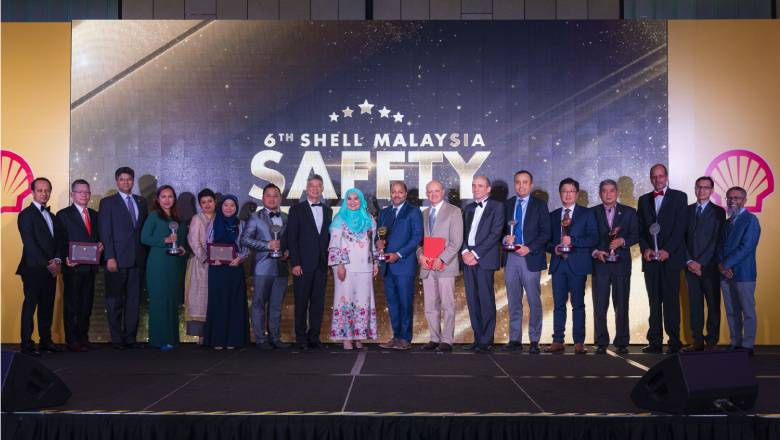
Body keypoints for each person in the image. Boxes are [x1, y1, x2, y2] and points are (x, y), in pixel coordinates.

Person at [637, 164, 688, 354]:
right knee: (654, 302)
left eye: (660, 176)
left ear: (666, 176)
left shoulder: (680, 197)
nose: (657, 180)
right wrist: (645, 249)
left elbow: (680, 228)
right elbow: (640, 229)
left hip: (671, 259)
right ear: (650, 178)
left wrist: (668, 250)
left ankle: (674, 341)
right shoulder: (643, 200)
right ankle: (655, 341)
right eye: (654, 177)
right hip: (651, 261)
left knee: (671, 302)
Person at [545, 178, 598, 354]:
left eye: (571, 191)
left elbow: (593, 238)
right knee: (558, 304)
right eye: (564, 191)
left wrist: (573, 241)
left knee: (578, 304)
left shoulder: (587, 214)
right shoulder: (553, 215)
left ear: (577, 193)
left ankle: (579, 342)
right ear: (560, 193)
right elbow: (546, 242)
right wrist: (555, 248)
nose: (567, 194)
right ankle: (558, 340)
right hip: (559, 264)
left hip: (578, 265)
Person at [98, 167, 148, 349]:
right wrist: (110, 257)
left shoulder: (141, 202)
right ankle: (117, 339)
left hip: (137, 259)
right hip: (116, 260)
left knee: (134, 301)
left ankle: (130, 338)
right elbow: (105, 232)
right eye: (122, 179)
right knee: (115, 300)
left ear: (133, 181)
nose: (126, 182)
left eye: (129, 179)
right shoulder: (108, 203)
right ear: (116, 181)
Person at [501, 170, 550, 354]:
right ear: (515, 184)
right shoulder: (507, 205)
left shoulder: (540, 205)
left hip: (530, 257)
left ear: (531, 185)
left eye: (525, 182)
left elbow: (546, 233)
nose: (521, 185)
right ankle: (515, 339)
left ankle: (534, 340)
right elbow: (500, 232)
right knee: (513, 301)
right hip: (511, 257)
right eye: (518, 182)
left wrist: (529, 247)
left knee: (533, 301)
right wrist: (506, 240)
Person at [590, 179, 639, 355]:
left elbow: (636, 235)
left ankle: (622, 341)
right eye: (604, 191)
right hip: (600, 265)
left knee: (622, 305)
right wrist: (596, 251)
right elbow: (588, 237)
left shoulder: (629, 212)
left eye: (612, 190)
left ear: (617, 192)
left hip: (621, 265)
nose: (608, 194)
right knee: (600, 305)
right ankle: (601, 341)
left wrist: (622, 241)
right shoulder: (592, 213)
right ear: (599, 193)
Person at [16, 177, 63, 357]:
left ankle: (46, 341)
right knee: (30, 306)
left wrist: (57, 259)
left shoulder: (52, 216)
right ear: (33, 192)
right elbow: (30, 244)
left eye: (47, 190)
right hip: (33, 268)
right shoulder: (26, 215)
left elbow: (59, 241)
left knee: (47, 306)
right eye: (40, 190)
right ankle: (26, 343)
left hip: (52, 268)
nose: (44, 193)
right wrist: (48, 263)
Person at [241, 183, 291, 350]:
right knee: (259, 304)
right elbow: (245, 240)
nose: (272, 198)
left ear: (280, 198)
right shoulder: (255, 217)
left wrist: (288, 251)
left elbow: (289, 240)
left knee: (276, 305)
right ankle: (260, 339)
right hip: (262, 268)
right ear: (263, 198)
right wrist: (267, 245)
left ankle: (275, 338)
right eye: (268, 195)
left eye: (275, 195)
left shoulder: (285, 217)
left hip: (282, 267)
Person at [328, 188, 379, 350]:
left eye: (356, 199)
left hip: (365, 266)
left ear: (362, 201)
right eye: (349, 199)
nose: (352, 202)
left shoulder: (369, 219)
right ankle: (346, 337)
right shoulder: (339, 219)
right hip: (345, 268)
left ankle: (359, 336)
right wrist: (339, 266)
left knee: (363, 302)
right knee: (345, 300)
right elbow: (334, 245)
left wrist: (376, 263)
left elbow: (373, 245)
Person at [377, 181, 424, 350]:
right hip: (387, 266)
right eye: (393, 192)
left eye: (400, 192)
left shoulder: (413, 212)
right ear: (390, 194)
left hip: (404, 265)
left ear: (405, 194)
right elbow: (379, 234)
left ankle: (405, 338)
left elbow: (416, 238)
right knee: (393, 303)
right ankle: (396, 337)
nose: (396, 195)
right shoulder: (384, 213)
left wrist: (399, 254)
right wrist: (378, 244)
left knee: (405, 303)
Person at [287, 175, 332, 350]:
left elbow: (328, 239)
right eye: (311, 186)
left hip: (321, 265)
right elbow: (292, 239)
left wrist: (329, 263)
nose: (315, 189)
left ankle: (314, 337)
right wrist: (295, 263)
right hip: (303, 265)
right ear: (307, 188)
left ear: (322, 189)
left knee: (318, 303)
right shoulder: (297, 210)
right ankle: (301, 339)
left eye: (318, 186)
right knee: (301, 302)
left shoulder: (328, 211)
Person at [417, 180, 463, 352]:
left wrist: (442, 259)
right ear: (426, 194)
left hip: (446, 266)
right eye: (430, 192)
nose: (433, 194)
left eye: (436, 191)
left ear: (443, 192)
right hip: (427, 266)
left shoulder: (454, 211)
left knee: (448, 304)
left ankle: (447, 340)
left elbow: (456, 241)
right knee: (430, 305)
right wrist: (420, 255)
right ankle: (434, 338)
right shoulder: (424, 213)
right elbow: (419, 241)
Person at [57, 179, 102, 352]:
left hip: (90, 268)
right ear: (72, 194)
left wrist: (101, 245)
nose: (84, 194)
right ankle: (71, 339)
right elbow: (59, 240)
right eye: (80, 192)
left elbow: (97, 238)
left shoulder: (95, 214)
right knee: (72, 304)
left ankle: (83, 337)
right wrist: (65, 257)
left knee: (86, 304)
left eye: (87, 192)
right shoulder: (63, 215)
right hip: (73, 267)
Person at [461, 176, 505, 352]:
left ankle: (486, 340)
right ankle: (478, 338)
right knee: (472, 300)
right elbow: (461, 233)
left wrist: (475, 253)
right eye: (474, 186)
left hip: (484, 258)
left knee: (485, 299)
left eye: (480, 186)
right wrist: (465, 252)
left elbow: (495, 234)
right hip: (467, 258)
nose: (476, 189)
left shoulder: (498, 207)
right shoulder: (468, 208)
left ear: (488, 189)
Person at [141, 185, 187, 350]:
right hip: (158, 263)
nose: (167, 200)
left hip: (174, 264)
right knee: (159, 300)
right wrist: (164, 241)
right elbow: (144, 238)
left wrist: (181, 248)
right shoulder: (154, 216)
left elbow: (181, 240)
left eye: (170, 197)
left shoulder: (177, 217)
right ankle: (159, 340)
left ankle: (172, 339)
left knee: (171, 300)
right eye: (164, 197)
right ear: (158, 199)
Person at [683, 176, 725, 352]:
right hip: (689, 266)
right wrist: (689, 261)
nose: (702, 190)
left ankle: (711, 341)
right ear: (695, 189)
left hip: (709, 268)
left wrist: (701, 263)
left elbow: (717, 240)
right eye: (699, 187)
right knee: (695, 306)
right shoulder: (686, 210)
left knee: (713, 305)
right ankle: (697, 340)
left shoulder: (718, 212)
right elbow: (681, 238)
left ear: (712, 190)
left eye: (706, 187)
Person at [204, 194, 250, 350]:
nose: (229, 208)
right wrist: (211, 258)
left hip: (234, 268)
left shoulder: (242, 224)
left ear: (236, 208)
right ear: (221, 207)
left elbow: (246, 246)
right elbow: (207, 243)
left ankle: (233, 339)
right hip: (217, 269)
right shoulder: (213, 223)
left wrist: (240, 258)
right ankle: (217, 339)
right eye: (226, 205)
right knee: (218, 303)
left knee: (234, 303)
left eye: (232, 205)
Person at [719, 186, 761, 356]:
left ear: (744, 200)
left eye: (736, 198)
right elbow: (719, 246)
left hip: (744, 274)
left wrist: (726, 264)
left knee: (747, 311)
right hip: (725, 274)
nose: (732, 201)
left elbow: (747, 247)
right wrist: (721, 266)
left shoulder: (751, 220)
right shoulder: (727, 222)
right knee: (731, 311)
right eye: (729, 198)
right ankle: (735, 342)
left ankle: (747, 345)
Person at [185, 188, 216, 345]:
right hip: (201, 264)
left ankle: (215, 333)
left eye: (210, 201)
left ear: (215, 202)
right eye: (203, 202)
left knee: (215, 299)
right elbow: (193, 241)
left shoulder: (221, 217)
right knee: (200, 299)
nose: (207, 204)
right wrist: (205, 257)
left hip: (218, 264)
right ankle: (201, 336)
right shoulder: (197, 218)